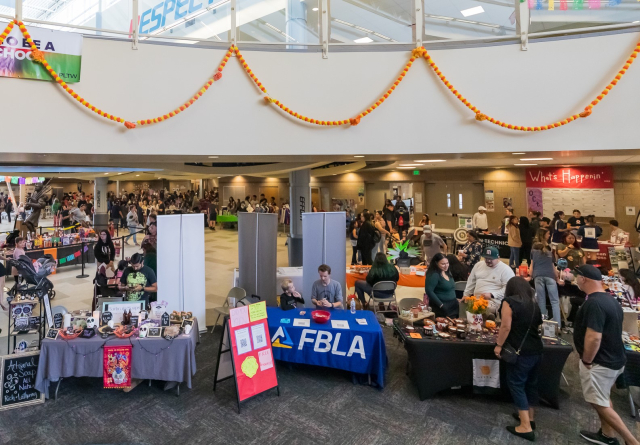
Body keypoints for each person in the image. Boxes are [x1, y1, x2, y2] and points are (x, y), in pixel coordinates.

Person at [572, 265, 638, 445]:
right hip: (614, 359)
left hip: (600, 363)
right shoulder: (610, 300)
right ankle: (607, 435)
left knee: (598, 402)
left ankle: (631, 440)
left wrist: (587, 360)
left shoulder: (594, 303)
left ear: (584, 279)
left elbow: (594, 337)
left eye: (578, 276)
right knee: (603, 396)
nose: (576, 279)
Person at [494, 277, 543, 442]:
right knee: (531, 384)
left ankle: (525, 427)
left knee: (516, 384)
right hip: (536, 349)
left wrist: (499, 345)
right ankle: (530, 418)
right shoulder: (534, 304)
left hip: (519, 351)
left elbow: (506, 326)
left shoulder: (509, 302)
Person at [463, 246, 514, 313]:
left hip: (494, 301)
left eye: (491, 259)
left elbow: (508, 289)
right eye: (486, 258)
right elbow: (471, 282)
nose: (488, 261)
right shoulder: (478, 265)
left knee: (482, 309)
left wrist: (492, 294)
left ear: (498, 258)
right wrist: (466, 295)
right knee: (462, 305)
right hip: (476, 300)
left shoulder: (506, 269)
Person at [530, 229, 563, 326]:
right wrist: (557, 278)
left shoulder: (533, 249)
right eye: (548, 233)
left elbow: (532, 265)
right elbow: (553, 267)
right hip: (550, 276)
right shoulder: (549, 249)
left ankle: (542, 324)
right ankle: (558, 325)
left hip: (538, 276)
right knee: (555, 301)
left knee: (541, 299)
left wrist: (530, 276)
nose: (549, 235)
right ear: (544, 235)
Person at [425, 253, 458, 318]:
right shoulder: (434, 275)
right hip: (442, 306)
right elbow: (429, 291)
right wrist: (441, 305)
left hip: (453, 305)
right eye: (443, 264)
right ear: (436, 263)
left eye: (447, 263)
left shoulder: (447, 272)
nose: (446, 266)